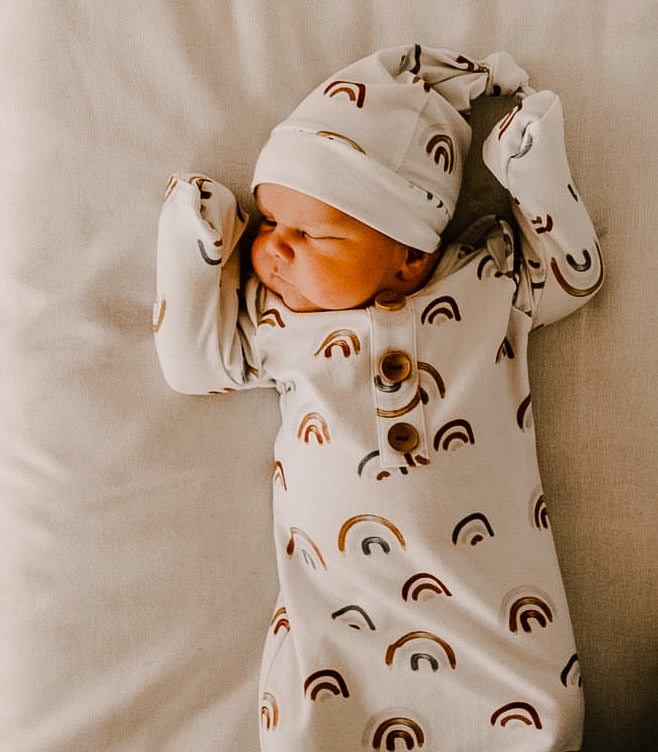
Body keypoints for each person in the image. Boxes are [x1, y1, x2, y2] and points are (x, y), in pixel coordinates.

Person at [154, 45, 604, 752]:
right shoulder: (280, 324)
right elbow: (193, 363)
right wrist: (195, 246)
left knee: (534, 720)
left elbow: (575, 278)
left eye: (309, 232)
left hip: (492, 629)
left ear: (410, 251)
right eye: (270, 223)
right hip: (339, 634)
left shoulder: (486, 283)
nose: (274, 249)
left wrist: (538, 178)